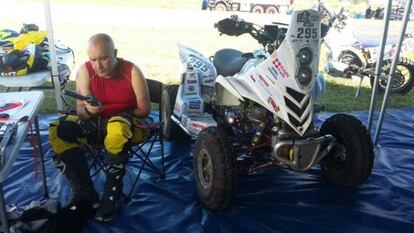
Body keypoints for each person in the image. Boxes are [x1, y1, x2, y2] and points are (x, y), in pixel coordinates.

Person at [48, 33, 150, 222]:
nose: (98, 65)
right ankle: (84, 192)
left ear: (115, 54)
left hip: (124, 126)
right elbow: (81, 112)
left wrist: (116, 112)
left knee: (117, 128)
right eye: (93, 59)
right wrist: (91, 112)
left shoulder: (132, 71)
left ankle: (112, 194)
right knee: (58, 130)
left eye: (103, 58)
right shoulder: (85, 71)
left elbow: (144, 109)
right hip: (94, 125)